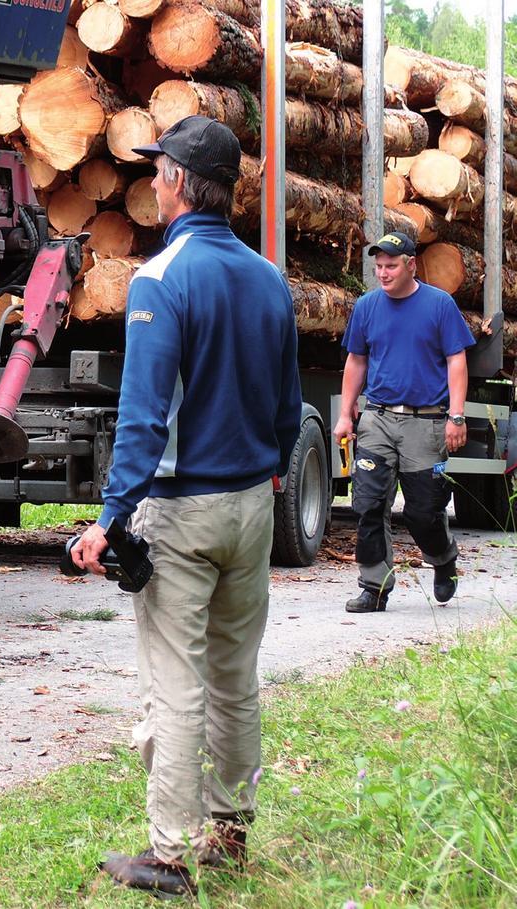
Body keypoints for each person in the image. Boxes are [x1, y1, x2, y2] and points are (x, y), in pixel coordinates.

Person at [69, 115, 302, 898]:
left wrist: (108, 519)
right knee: (235, 674)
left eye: (158, 170)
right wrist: (268, 475)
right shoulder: (271, 280)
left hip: (182, 506)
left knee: (176, 683)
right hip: (251, 502)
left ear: (176, 183)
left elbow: (142, 417)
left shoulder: (160, 280)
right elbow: (287, 405)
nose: (153, 181)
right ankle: (230, 832)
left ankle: (168, 854)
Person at [333, 232, 476, 613]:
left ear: (411, 264)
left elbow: (456, 361)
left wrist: (456, 414)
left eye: (391, 265)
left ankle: (443, 559)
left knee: (423, 512)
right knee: (367, 504)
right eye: (378, 266)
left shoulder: (439, 305)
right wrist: (345, 414)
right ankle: (374, 586)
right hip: (377, 418)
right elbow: (356, 361)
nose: (383, 273)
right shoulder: (366, 307)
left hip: (426, 421)